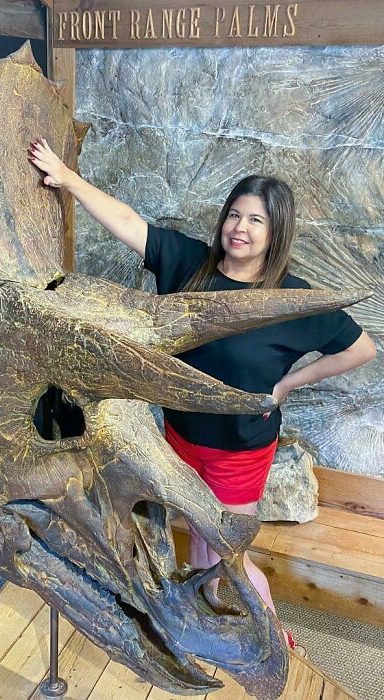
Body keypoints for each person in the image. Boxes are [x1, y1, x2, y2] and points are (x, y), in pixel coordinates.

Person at [27, 137, 377, 653]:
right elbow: (128, 222)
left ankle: (270, 638)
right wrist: (67, 177)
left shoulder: (293, 299)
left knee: (228, 549)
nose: (240, 228)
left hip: (239, 448)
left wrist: (284, 385)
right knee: (198, 537)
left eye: (256, 220)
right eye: (235, 215)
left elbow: (362, 349)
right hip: (181, 436)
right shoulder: (191, 266)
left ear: (275, 231)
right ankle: (202, 619)